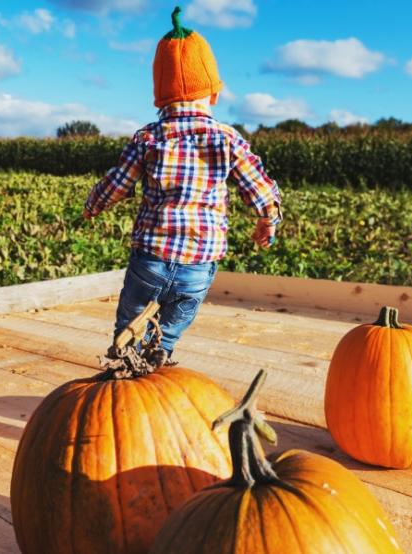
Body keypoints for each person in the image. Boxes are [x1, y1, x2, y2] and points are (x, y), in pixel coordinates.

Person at [83, 6, 282, 363]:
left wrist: (93, 205)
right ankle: (161, 348)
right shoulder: (228, 139)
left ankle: (123, 357)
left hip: (151, 259)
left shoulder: (148, 137)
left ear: (159, 97)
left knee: (130, 320)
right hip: (198, 262)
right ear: (214, 94)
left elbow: (117, 183)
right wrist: (268, 220)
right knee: (176, 318)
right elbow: (260, 187)